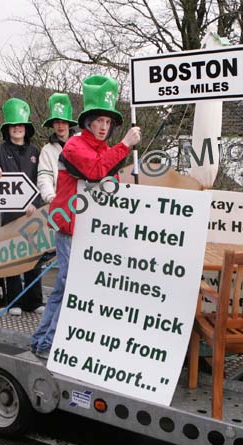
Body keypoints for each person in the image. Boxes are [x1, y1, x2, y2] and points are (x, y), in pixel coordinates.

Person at [30, 75, 141, 359]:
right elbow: (95, 171)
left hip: (88, 228)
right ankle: (49, 343)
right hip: (70, 226)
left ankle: (42, 340)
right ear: (89, 122)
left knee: (64, 286)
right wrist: (126, 144)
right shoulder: (76, 145)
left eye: (108, 123)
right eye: (99, 121)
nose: (104, 127)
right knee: (71, 285)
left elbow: (109, 179)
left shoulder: (101, 147)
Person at [0, 98, 44, 316]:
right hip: (10, 216)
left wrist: (35, 204)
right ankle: (13, 301)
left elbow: (42, 179)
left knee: (34, 258)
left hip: (32, 213)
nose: (17, 129)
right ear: (8, 129)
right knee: (12, 257)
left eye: (21, 125)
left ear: (26, 128)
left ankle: (33, 302)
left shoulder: (35, 151)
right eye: (14, 126)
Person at [37, 93, 77, 203]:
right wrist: (51, 197)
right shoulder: (47, 150)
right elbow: (44, 177)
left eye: (63, 122)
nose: (60, 126)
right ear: (53, 125)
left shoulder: (81, 144)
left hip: (81, 201)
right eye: (57, 122)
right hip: (59, 203)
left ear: (68, 124)